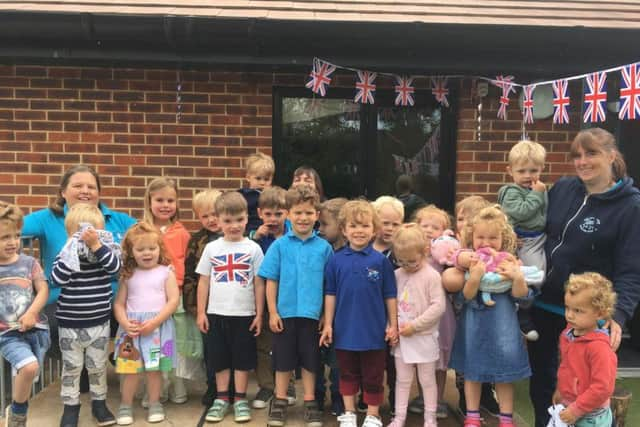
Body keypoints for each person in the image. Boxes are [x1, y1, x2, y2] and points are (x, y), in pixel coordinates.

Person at [529, 128, 640, 427]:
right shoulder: (564, 188)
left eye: (591, 153)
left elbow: (631, 269)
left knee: (582, 395)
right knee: (543, 387)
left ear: (611, 156)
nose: (582, 161)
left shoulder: (631, 206)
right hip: (544, 306)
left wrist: (618, 314)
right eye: (577, 155)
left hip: (586, 318)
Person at [448, 206, 531, 427]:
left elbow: (522, 299)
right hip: (474, 329)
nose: (486, 242)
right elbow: (464, 297)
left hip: (503, 331)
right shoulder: (471, 262)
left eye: (493, 237)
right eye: (480, 237)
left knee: (504, 377)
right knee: (472, 374)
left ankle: (506, 418)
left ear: (504, 239)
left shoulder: (509, 262)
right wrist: (474, 278)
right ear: (471, 238)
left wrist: (517, 278)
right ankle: (472, 416)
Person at [258, 185, 333, 427]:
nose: (303, 218)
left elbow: (329, 285)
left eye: (308, 213)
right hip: (285, 314)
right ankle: (279, 401)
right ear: (289, 214)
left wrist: (324, 315)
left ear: (316, 215)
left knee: (311, 360)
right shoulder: (280, 246)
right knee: (283, 360)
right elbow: (271, 279)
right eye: (298, 213)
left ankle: (310, 402)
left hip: (312, 316)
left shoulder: (324, 248)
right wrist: (272, 311)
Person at [320, 200, 398, 427]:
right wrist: (328, 324)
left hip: (374, 332)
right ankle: (349, 412)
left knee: (373, 375)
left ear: (374, 230)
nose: (359, 231)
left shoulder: (381, 262)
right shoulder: (335, 260)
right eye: (353, 226)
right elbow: (330, 293)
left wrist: (392, 324)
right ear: (344, 230)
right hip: (345, 330)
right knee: (347, 373)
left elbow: (390, 295)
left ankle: (373, 414)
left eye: (365, 226)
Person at [195, 191, 265, 423]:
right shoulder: (212, 248)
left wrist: (259, 313)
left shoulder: (253, 248)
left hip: (244, 314)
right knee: (219, 358)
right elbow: (203, 280)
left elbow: (259, 282)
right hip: (216, 314)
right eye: (227, 221)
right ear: (218, 219)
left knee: (242, 358)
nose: (234, 226)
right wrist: (201, 312)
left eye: (239, 220)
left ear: (247, 218)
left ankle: (240, 399)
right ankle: (222, 398)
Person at [51, 203, 121, 427]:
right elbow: (57, 279)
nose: (88, 239)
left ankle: (99, 403)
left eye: (95, 233)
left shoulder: (104, 254)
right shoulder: (64, 256)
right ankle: (71, 407)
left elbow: (116, 270)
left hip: (99, 323)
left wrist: (98, 247)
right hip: (70, 324)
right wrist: (71, 251)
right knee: (71, 367)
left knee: (97, 366)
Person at [113, 222, 179, 425]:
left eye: (152, 248)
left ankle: (154, 403)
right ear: (131, 252)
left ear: (160, 248)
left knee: (154, 370)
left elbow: (173, 301)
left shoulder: (166, 272)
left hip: (157, 328)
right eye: (140, 249)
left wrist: (155, 322)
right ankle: (125, 405)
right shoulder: (128, 275)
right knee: (130, 370)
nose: (147, 253)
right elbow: (119, 304)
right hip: (131, 330)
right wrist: (124, 322)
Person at [441, 195, 498, 417]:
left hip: (489, 314)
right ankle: (465, 397)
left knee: (488, 354)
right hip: (463, 314)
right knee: (466, 357)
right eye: (460, 219)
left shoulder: (492, 245)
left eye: (469, 219)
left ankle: (486, 395)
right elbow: (458, 258)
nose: (463, 224)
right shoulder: (456, 245)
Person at [387, 224, 445, 427]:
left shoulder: (432, 276)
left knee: (427, 380)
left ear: (425, 251)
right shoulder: (397, 275)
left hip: (423, 337)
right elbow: (391, 303)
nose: (407, 265)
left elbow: (438, 307)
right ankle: (399, 417)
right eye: (401, 261)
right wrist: (391, 326)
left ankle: (430, 417)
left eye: (412, 260)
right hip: (402, 338)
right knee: (402, 381)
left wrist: (415, 326)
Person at [0, 202, 50, 427]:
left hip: (35, 330)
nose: (12, 242)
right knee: (29, 367)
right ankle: (18, 415)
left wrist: (32, 313)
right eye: (4, 237)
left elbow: (43, 290)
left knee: (31, 372)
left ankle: (16, 406)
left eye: (16, 235)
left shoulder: (29, 263)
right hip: (7, 333)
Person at [143, 177, 192, 404]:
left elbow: (187, 263)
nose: (165, 205)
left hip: (176, 296)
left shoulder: (182, 233)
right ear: (149, 201)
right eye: (159, 199)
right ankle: (157, 388)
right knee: (154, 341)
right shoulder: (141, 230)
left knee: (175, 341)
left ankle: (177, 384)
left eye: (170, 200)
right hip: (150, 297)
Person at [498, 139, 548, 341]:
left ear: (542, 168)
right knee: (536, 276)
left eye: (533, 170)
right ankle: (522, 313)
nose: (528, 176)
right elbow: (520, 212)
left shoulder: (539, 189)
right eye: (522, 171)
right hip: (523, 240)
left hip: (539, 238)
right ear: (510, 170)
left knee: (541, 277)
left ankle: (525, 308)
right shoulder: (510, 191)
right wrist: (537, 195)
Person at [553, 272, 617, 427]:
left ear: (600, 313)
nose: (569, 315)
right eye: (568, 308)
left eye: (578, 311)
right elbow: (567, 367)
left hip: (591, 417)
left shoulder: (599, 348)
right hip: (570, 408)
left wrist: (576, 409)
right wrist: (560, 390)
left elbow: (602, 387)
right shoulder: (567, 335)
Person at [412, 205, 456, 419]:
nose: (429, 230)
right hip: (417, 311)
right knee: (421, 359)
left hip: (441, 315)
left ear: (445, 231)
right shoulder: (413, 251)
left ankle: (437, 399)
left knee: (438, 359)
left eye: (435, 227)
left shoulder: (445, 255)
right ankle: (423, 398)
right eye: (424, 225)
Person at [182, 189, 223, 407]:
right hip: (207, 306)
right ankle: (213, 385)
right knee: (210, 348)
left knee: (231, 348)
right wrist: (195, 307)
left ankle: (232, 387)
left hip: (233, 305)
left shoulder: (236, 237)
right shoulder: (196, 241)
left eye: (215, 213)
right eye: (205, 216)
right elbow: (190, 274)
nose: (212, 219)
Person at [250, 186, 288, 410]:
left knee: (287, 342)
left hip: (288, 296)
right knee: (264, 343)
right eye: (268, 214)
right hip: (263, 296)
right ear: (259, 213)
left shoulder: (294, 235)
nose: (273, 219)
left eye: (279, 214)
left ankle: (288, 383)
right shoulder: (257, 237)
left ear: (288, 213)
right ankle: (266, 385)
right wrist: (256, 239)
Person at [315, 198, 348, 417]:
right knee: (315, 359)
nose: (320, 229)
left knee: (339, 363)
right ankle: (317, 397)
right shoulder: (320, 250)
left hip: (342, 318)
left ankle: (339, 398)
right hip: (317, 315)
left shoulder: (348, 255)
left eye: (325, 224)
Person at [370, 196, 403, 414]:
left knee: (394, 362)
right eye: (385, 222)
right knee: (371, 360)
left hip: (398, 313)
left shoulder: (402, 251)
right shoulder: (365, 248)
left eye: (395, 224)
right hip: (371, 313)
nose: (390, 228)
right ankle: (369, 395)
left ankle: (395, 399)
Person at [239, 152, 275, 234]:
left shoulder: (273, 196)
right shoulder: (242, 196)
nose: (262, 183)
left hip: (270, 231)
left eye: (266, 179)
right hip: (249, 233)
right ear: (248, 177)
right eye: (258, 178)